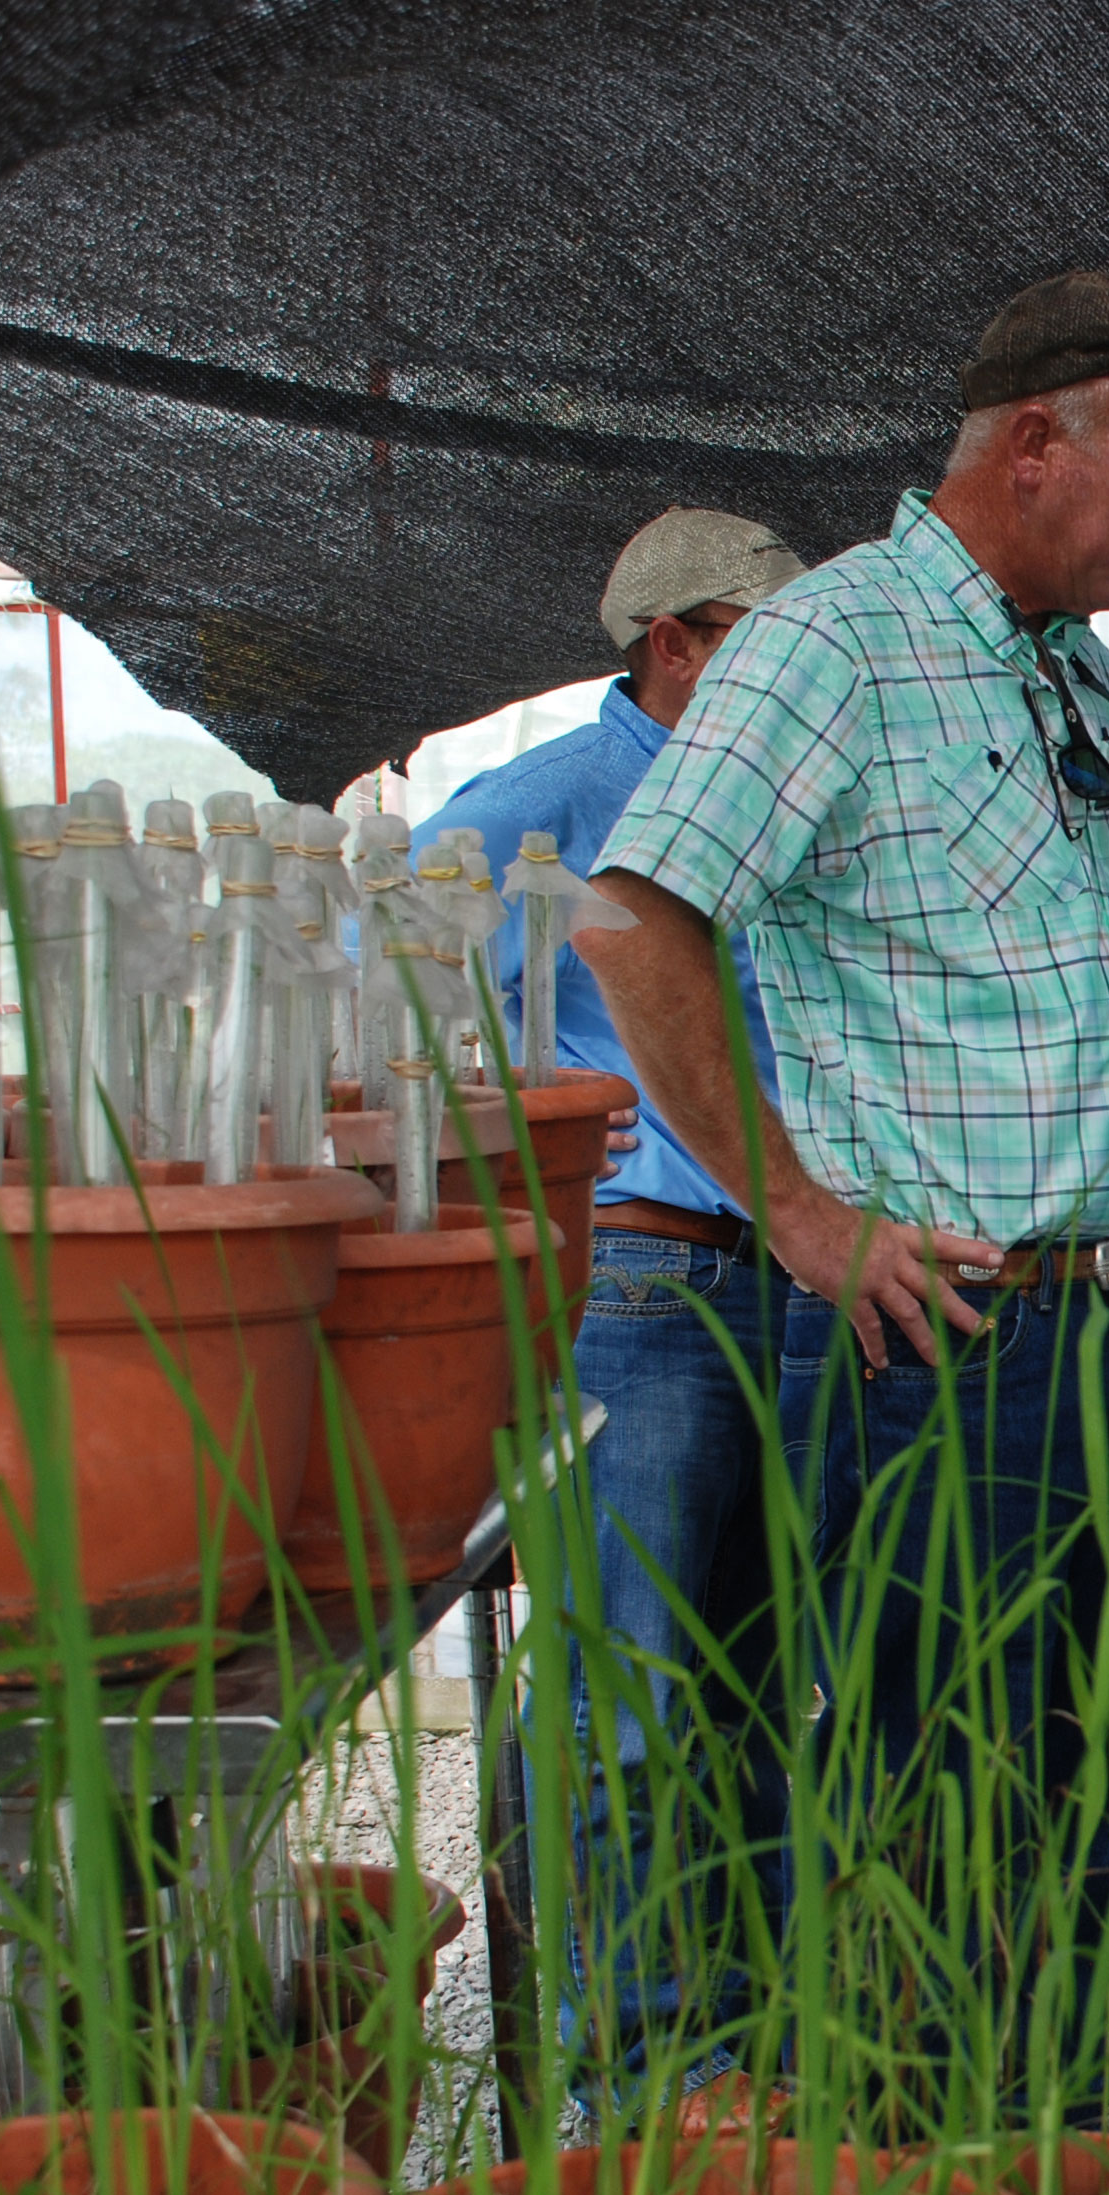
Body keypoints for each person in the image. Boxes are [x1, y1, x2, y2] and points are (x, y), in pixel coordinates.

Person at [581, 272, 1109, 2126]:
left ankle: (1038, 2167)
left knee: (1101, 1767)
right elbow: (637, 914)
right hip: (951, 1340)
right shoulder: (832, 639)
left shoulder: (1069, 657)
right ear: (1034, 441)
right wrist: (802, 1213)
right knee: (943, 1789)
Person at [410, 504, 805, 2097]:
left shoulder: (763, 807)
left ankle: (755, 2036)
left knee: (757, 1673)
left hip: (783, 1274)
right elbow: (389, 1008)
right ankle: (640, 2064)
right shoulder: (540, 808)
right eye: (760, 649)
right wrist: (536, 1158)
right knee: (622, 1680)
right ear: (674, 644)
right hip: (638, 1281)